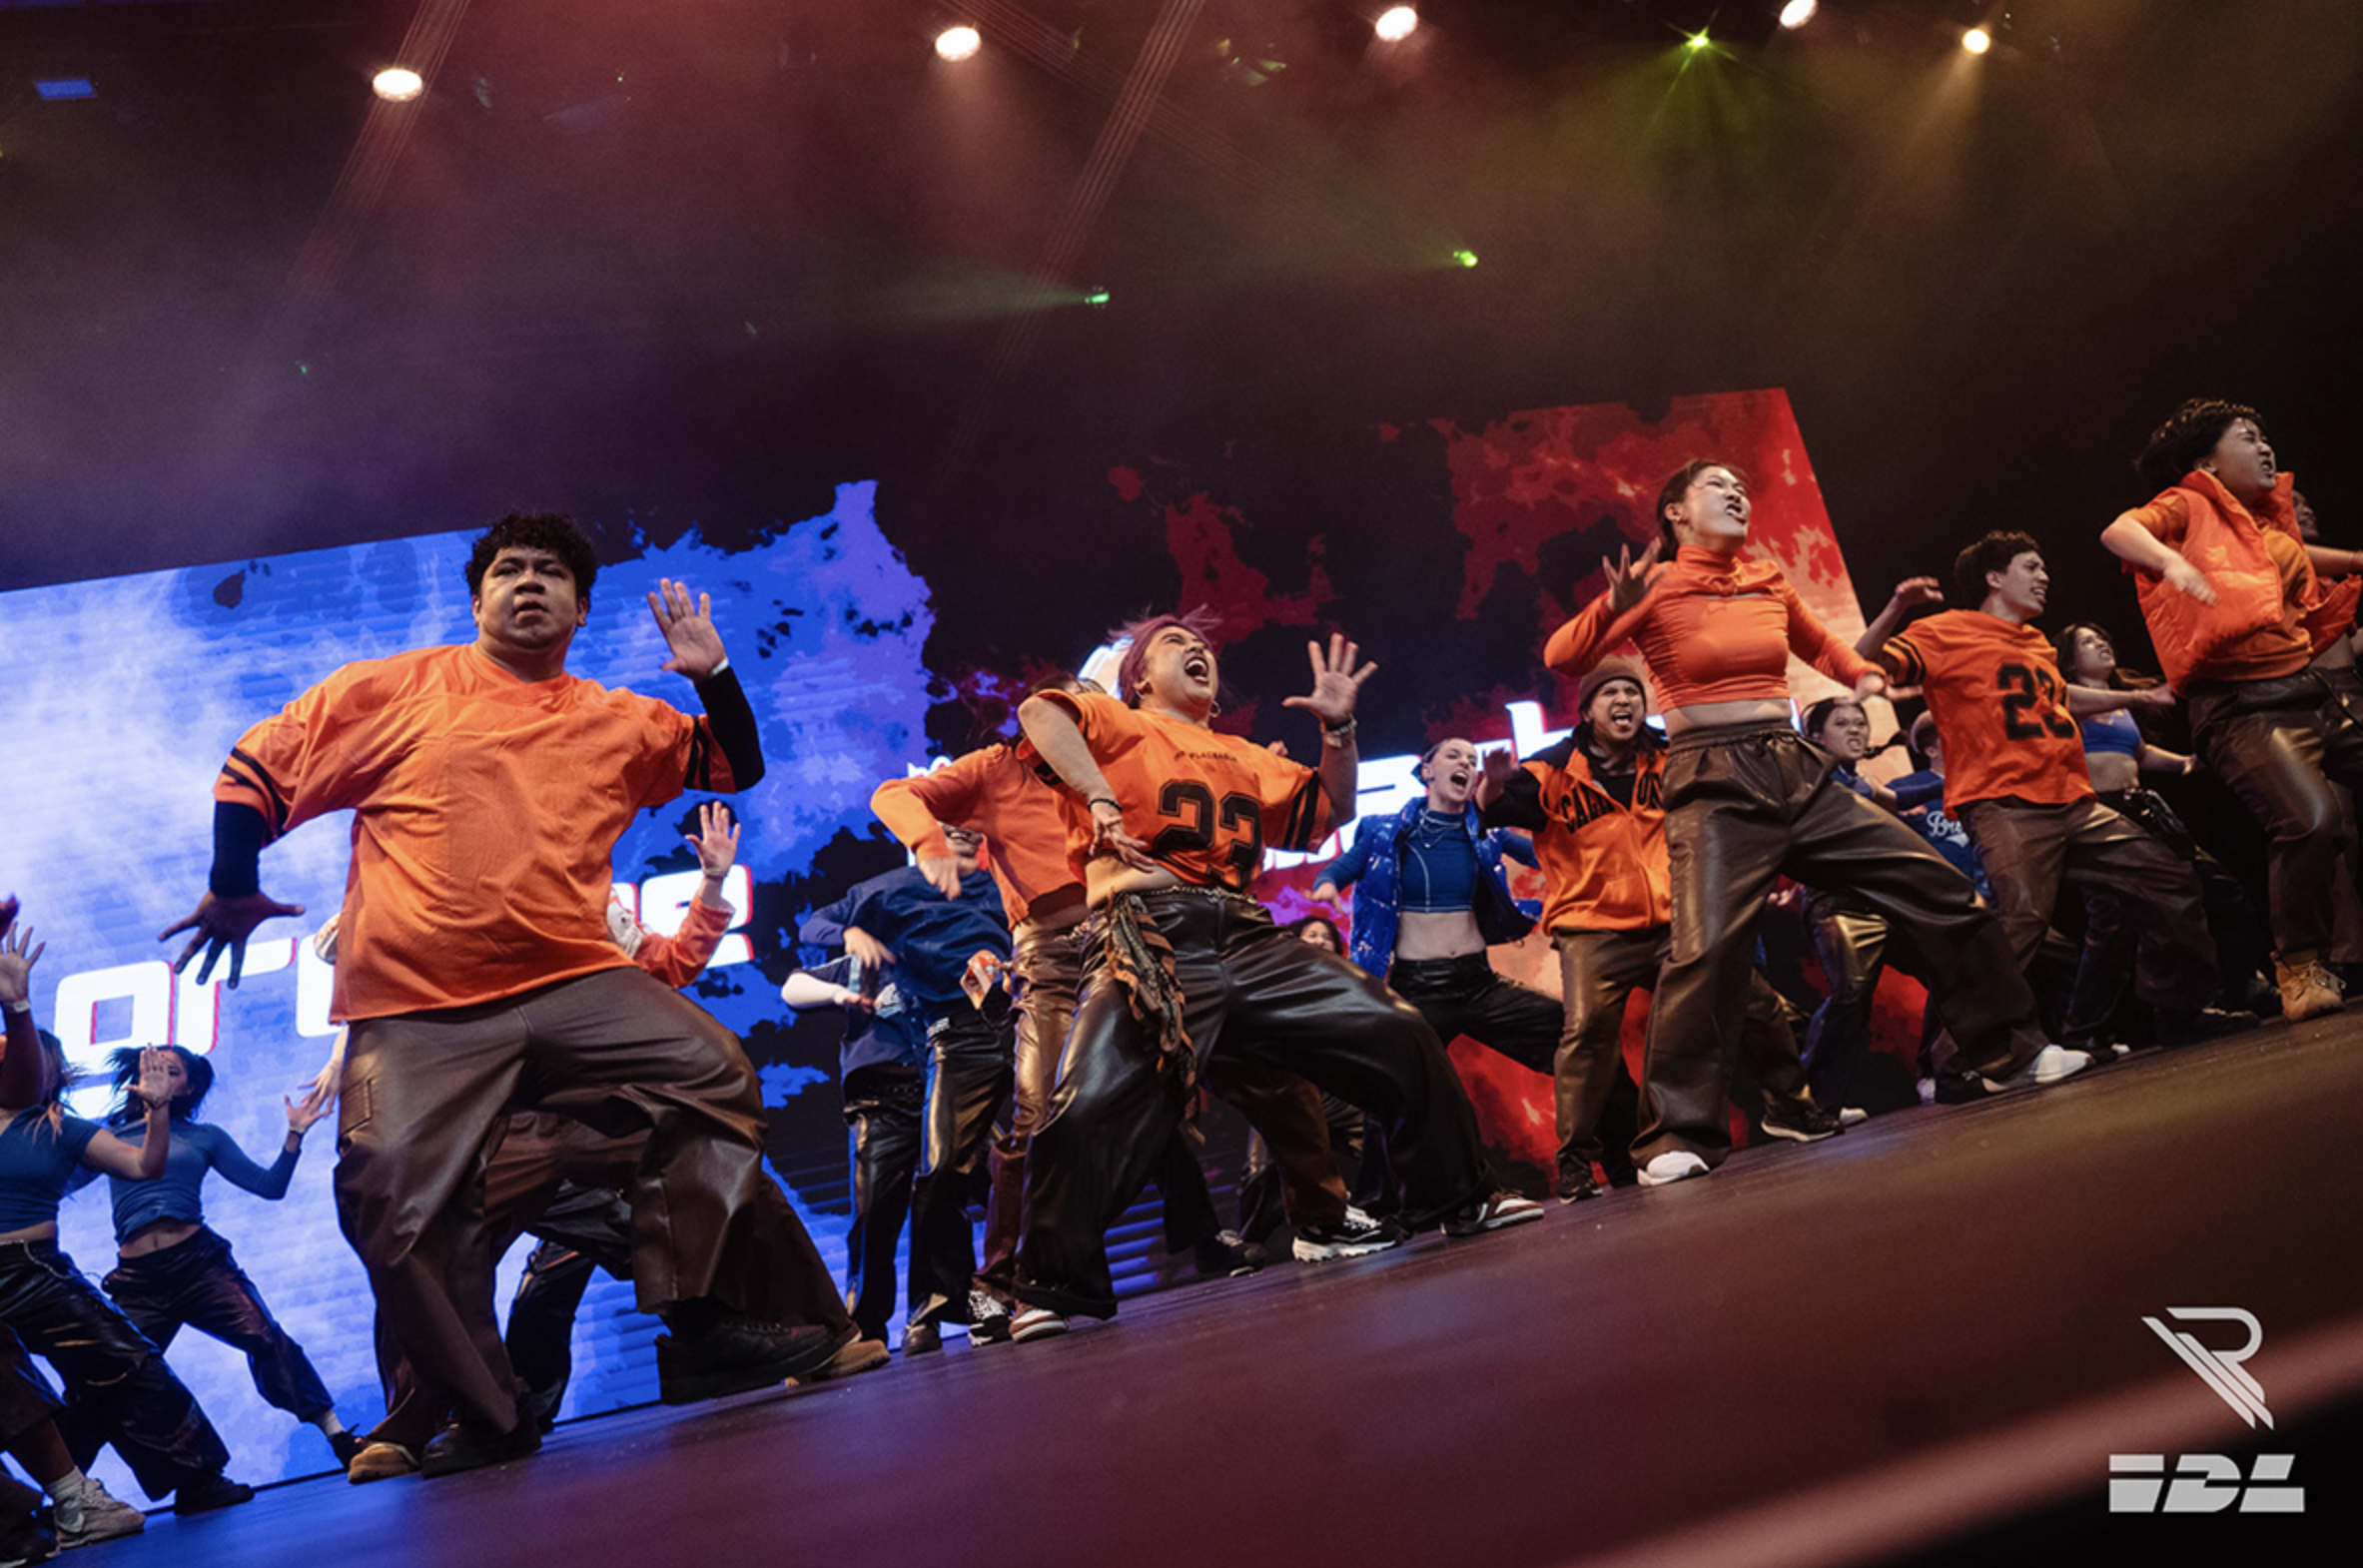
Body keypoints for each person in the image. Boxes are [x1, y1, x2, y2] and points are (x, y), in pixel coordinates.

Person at [159, 510, 855, 1476]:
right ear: (479, 597)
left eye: (552, 572)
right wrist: (234, 879)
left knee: (713, 1073)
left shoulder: (616, 718)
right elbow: (259, 766)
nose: (529, 582)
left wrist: (716, 677)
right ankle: (489, 1413)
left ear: (580, 608)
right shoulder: (394, 689)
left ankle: (705, 1322)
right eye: (509, 569)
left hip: (576, 981)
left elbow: (735, 763)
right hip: (418, 1008)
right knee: (387, 1202)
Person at [997, 613, 1540, 1338]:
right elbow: (1039, 715)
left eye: (1203, 645)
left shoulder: (1241, 753)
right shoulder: (1116, 723)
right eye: (1174, 643)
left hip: (1247, 934)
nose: (1197, 648)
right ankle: (1050, 1283)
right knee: (1083, 1107)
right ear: (1138, 678)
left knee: (1399, 1031)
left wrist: (1339, 732)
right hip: (1151, 937)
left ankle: (1461, 1198)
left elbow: (1332, 806)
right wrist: (1098, 795)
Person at [1544, 462, 2086, 1185]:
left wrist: (1861, 677)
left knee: (1939, 888)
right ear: (1675, 512)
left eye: (1741, 485)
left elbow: (1824, 648)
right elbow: (1564, 657)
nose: (1737, 493)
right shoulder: (1659, 584)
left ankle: (2007, 1054)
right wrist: (1611, 606)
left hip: (1793, 765)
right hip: (1713, 779)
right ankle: (1676, 1135)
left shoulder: (1766, 578)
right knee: (1705, 953)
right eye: (1716, 485)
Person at [868, 683, 1384, 1272]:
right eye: (1072, 708)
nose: (1087, 717)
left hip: (1148, 938)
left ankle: (1320, 1217)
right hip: (1058, 960)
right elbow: (894, 793)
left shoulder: (1133, 762)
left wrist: (1242, 784)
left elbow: (1250, 825)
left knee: (1271, 1075)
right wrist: (928, 841)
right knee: (1043, 1116)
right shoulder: (999, 767)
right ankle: (1010, 1277)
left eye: (1098, 708)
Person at [1856, 539, 2253, 1054]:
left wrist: (2135, 696)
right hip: (2006, 805)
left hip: (2074, 804)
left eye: (2043, 566)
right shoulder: (1944, 630)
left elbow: (2060, 697)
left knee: (2169, 881)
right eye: (2031, 567)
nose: (2044, 576)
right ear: (1995, 578)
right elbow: (1861, 659)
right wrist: (1898, 606)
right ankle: (1958, 1058)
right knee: (2019, 924)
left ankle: (2181, 1013)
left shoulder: (2036, 642)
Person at [1479, 660, 1832, 1199]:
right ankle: (1576, 1159)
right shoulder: (1550, 768)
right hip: (1592, 930)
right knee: (1587, 1034)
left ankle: (1791, 1107)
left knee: (1755, 1001)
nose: (1623, 701)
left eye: (1631, 692)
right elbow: (1489, 810)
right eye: (1609, 694)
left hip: (1677, 921)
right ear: (1587, 710)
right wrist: (1492, 785)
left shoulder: (1672, 756)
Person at [2098, 399, 2363, 1020]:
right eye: (2247, 437)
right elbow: (2119, 531)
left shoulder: (2266, 527)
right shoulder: (2188, 505)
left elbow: (2296, 562)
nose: (2266, 447)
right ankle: (2300, 967)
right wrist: (2170, 560)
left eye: (2265, 436)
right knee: (2312, 821)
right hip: (2243, 707)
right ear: (2207, 463)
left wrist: (2356, 562)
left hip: (2312, 690)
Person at [0, 919, 253, 1513]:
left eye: (20, 1054)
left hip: (36, 1272)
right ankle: (38, 1508)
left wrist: (159, 1111)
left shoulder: (63, 1129)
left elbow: (144, 1167)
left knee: (128, 1363)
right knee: (22, 1388)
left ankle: (194, 1479)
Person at [85, 1045, 357, 1472]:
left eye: (171, 1071)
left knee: (266, 1338)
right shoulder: (108, 1138)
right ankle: (66, 1484)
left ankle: (338, 1435)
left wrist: (295, 1134)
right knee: (110, 1376)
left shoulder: (205, 1137)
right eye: (151, 1068)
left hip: (200, 1268)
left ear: (189, 1088)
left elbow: (270, 1186)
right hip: (138, 1281)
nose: (158, 1076)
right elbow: (53, 1181)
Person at [799, 827, 1017, 1354]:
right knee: (878, 1214)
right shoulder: (869, 955)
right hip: (885, 1097)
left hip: (945, 1075)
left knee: (971, 1183)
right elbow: (799, 974)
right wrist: (846, 968)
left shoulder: (985, 915)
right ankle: (867, 1329)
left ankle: (956, 1304)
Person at [1310, 739, 1568, 1125]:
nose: (1466, 762)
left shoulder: (1487, 832)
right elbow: (1339, 869)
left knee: (1572, 1034)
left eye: (1472, 760)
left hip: (1480, 984)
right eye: (1454, 755)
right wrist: (1327, 886)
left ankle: (1615, 1143)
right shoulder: (1384, 831)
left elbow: (1548, 854)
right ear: (1427, 771)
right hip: (1419, 990)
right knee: (1397, 1096)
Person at [2053, 623, 2276, 1036]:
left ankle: (2240, 984)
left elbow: (2137, 753)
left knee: (2222, 892)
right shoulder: (2064, 701)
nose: (2102, 642)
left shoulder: (2119, 707)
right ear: (2068, 660)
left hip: (2144, 810)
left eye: (2103, 637)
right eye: (2088, 641)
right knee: (2112, 925)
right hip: (2100, 815)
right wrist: (2139, 696)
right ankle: (2086, 1028)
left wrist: (2184, 762)